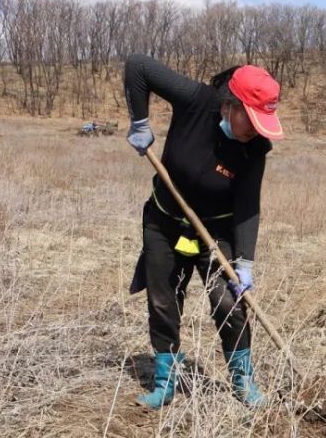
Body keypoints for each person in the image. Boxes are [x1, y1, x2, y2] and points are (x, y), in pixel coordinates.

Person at [122, 54, 284, 409]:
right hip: (164, 220)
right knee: (163, 299)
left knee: (229, 301)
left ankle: (243, 380)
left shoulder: (255, 148)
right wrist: (140, 121)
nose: (256, 129)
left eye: (262, 122)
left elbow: (247, 205)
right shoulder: (197, 100)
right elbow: (137, 66)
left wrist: (245, 263)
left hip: (216, 230)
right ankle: (165, 380)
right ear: (231, 105)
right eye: (252, 120)